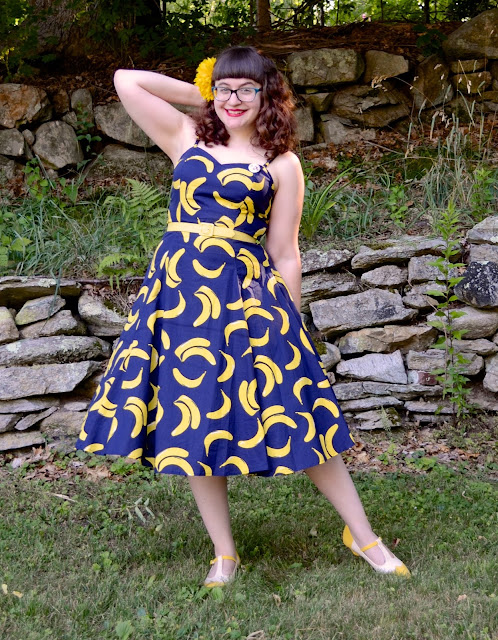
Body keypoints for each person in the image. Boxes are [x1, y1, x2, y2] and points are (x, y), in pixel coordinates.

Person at [76, 46, 410, 586]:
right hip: (179, 301)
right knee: (193, 420)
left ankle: (364, 537)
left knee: (296, 412)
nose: (233, 100)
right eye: (225, 89)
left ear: (267, 95)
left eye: (246, 90)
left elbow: (285, 254)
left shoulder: (281, 163)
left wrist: (289, 320)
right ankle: (224, 553)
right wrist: (208, 93)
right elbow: (125, 80)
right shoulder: (186, 136)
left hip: (248, 301)